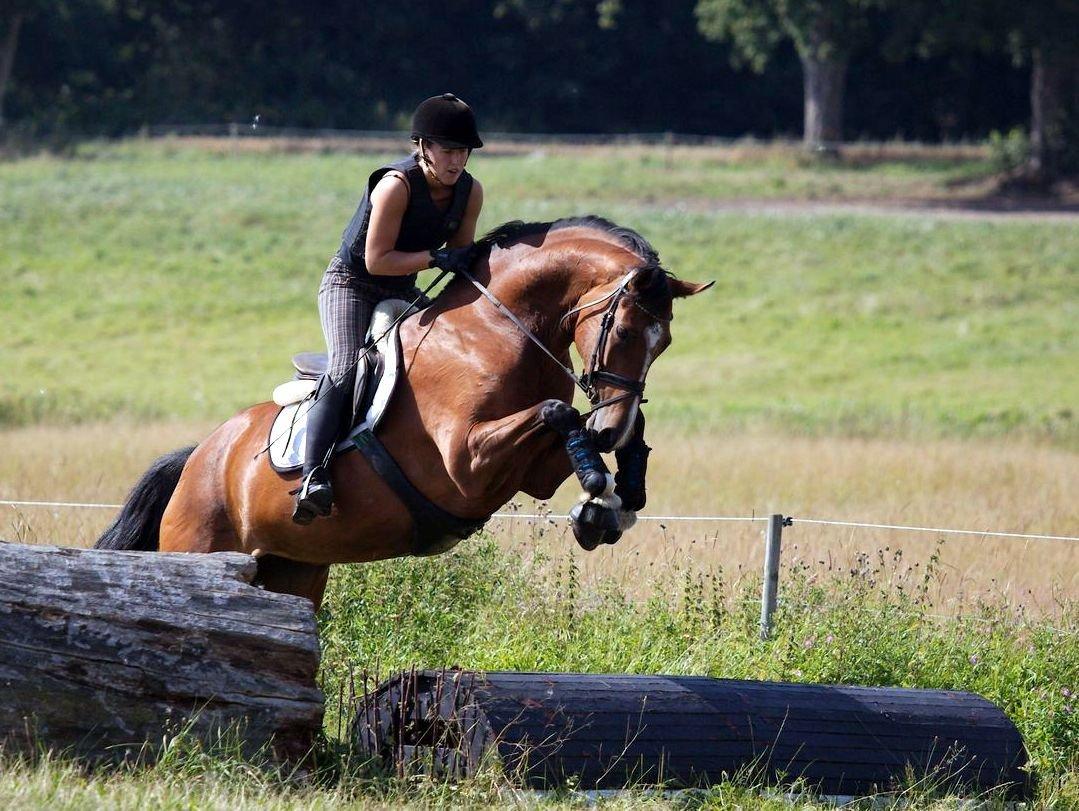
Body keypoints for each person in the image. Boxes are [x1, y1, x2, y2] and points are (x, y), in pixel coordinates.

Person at [293, 93, 485, 525]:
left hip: (401, 288)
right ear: (422, 147)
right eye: (448, 149)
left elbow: (460, 256)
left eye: (463, 151)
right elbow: (375, 260)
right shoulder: (395, 185)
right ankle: (312, 476)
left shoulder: (469, 192)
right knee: (345, 366)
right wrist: (435, 259)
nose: (457, 160)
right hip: (351, 285)